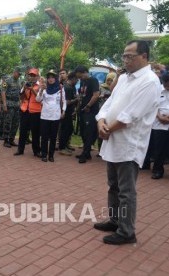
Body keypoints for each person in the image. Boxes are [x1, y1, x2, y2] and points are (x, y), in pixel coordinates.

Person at [94, 40, 160, 245]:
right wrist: (101, 121)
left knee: (126, 190)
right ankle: (115, 220)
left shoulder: (149, 81)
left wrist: (108, 129)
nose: (125, 60)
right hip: (113, 139)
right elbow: (109, 103)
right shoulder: (124, 78)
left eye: (130, 56)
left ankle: (127, 231)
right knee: (113, 185)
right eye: (124, 55)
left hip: (129, 143)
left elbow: (130, 115)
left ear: (144, 57)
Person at [36, 70, 66, 162]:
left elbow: (64, 101)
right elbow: (38, 99)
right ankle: (44, 154)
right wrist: (41, 90)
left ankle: (51, 155)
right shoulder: (44, 88)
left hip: (55, 116)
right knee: (44, 137)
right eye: (49, 77)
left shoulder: (60, 88)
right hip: (45, 115)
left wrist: (63, 111)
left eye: (52, 77)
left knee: (53, 137)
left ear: (55, 78)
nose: (50, 79)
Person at [14, 68, 42, 157]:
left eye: (34, 76)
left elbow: (40, 99)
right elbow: (22, 97)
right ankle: (20, 149)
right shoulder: (25, 84)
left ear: (37, 76)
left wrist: (32, 89)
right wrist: (24, 89)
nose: (32, 77)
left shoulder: (40, 86)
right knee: (22, 131)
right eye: (30, 75)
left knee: (35, 132)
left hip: (35, 111)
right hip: (25, 110)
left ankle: (36, 151)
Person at [75, 65, 100, 163]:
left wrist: (88, 106)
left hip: (91, 111)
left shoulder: (93, 80)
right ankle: (87, 152)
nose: (79, 78)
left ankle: (85, 154)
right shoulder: (82, 81)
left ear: (85, 72)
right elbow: (82, 95)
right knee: (83, 132)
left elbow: (96, 95)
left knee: (89, 133)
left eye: (80, 76)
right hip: (82, 110)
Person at [148, 74, 169, 179]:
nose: (167, 86)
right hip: (158, 123)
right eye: (166, 84)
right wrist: (160, 117)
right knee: (159, 149)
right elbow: (152, 106)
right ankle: (157, 170)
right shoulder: (157, 91)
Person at [58, 72, 79, 155]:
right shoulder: (67, 88)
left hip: (70, 112)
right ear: (73, 79)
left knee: (69, 129)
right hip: (65, 112)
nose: (77, 81)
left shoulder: (72, 87)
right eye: (76, 79)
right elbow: (66, 102)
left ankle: (66, 145)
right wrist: (76, 99)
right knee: (65, 130)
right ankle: (62, 147)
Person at [1, 67, 22, 148]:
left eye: (20, 74)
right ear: (14, 72)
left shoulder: (19, 81)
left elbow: (19, 93)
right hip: (9, 103)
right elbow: (3, 92)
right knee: (8, 122)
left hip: (16, 104)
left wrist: (20, 102)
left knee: (15, 123)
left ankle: (11, 139)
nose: (19, 75)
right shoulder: (7, 80)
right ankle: (6, 140)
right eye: (18, 73)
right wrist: (4, 104)